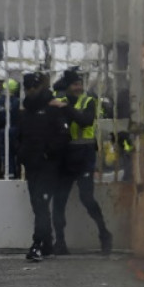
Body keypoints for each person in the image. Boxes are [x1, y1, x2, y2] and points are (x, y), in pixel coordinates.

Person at [51, 68, 112, 255]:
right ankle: (60, 241)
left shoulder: (89, 101)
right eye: (74, 84)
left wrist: (65, 108)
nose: (78, 87)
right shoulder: (59, 101)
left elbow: (85, 120)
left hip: (85, 156)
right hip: (66, 157)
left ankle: (104, 234)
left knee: (87, 198)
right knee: (59, 200)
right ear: (67, 86)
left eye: (80, 84)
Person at [17, 72, 70, 261]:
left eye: (34, 87)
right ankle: (47, 243)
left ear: (40, 87)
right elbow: (20, 135)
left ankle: (37, 243)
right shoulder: (26, 111)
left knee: (41, 203)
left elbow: (64, 135)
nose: (31, 90)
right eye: (28, 87)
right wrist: (21, 154)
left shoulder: (52, 108)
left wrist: (49, 152)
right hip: (32, 165)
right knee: (38, 205)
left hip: (48, 165)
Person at [0, 77, 21, 179]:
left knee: (5, 154)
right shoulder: (18, 102)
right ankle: (18, 173)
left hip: (2, 130)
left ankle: (9, 174)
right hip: (16, 130)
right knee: (17, 153)